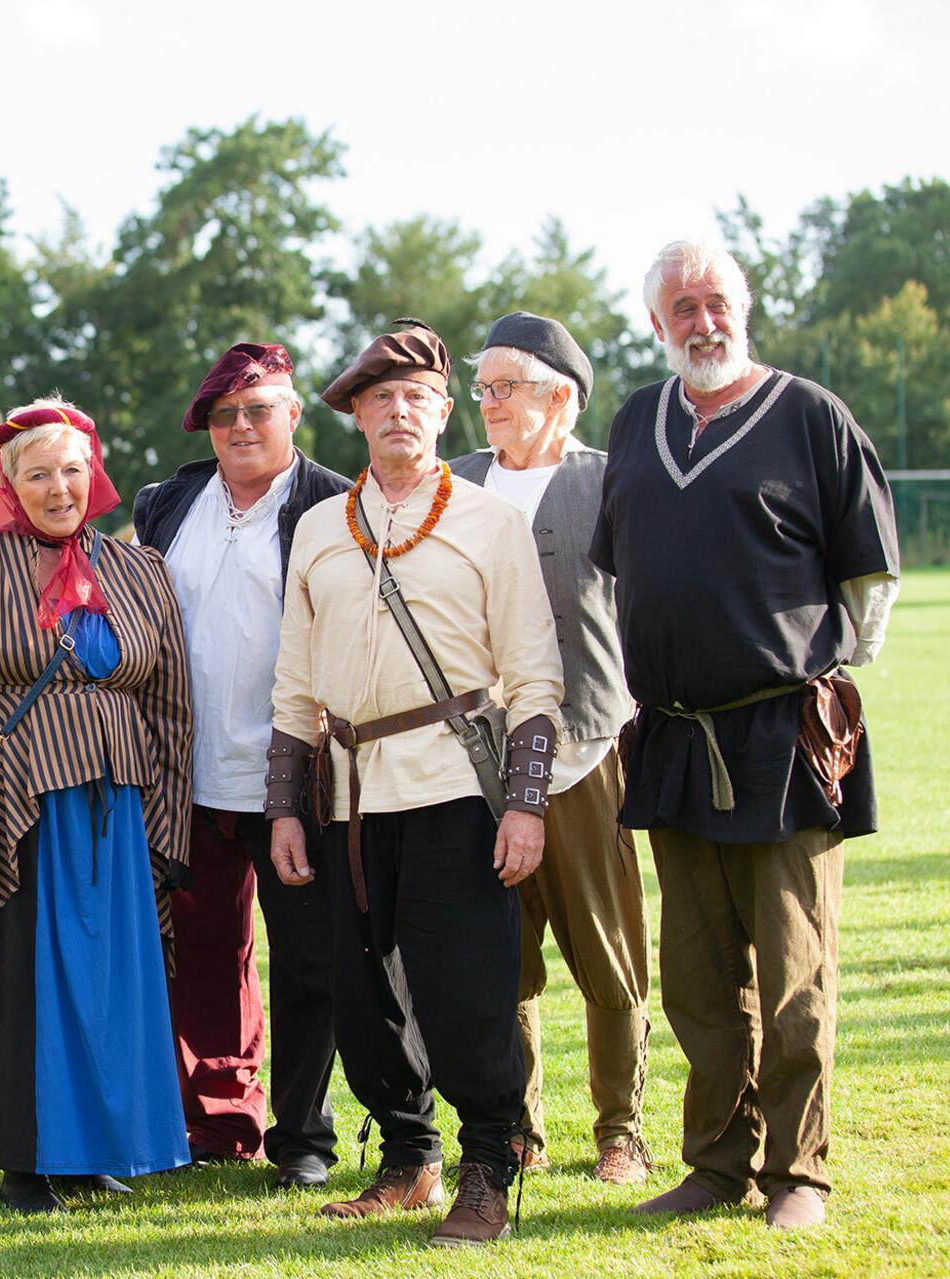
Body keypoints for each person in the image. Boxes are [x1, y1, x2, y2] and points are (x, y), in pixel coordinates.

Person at [594, 241, 900, 1231]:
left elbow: (868, 577)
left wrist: (810, 676)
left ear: (745, 308)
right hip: (675, 739)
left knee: (794, 971)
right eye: (682, 307)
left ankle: (797, 1170)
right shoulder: (637, 421)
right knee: (696, 972)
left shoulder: (810, 416)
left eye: (716, 301)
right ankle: (719, 1162)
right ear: (657, 323)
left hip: (781, 736)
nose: (702, 322)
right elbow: (619, 570)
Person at [266, 320, 564, 1246]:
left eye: (418, 397)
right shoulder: (319, 526)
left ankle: (487, 1165)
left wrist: (525, 802)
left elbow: (535, 679)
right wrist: (284, 806)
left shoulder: (492, 522)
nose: (399, 410)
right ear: (356, 413)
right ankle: (407, 1157)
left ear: (444, 411)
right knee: (364, 992)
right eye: (379, 397)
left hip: (452, 785)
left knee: (466, 986)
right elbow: (293, 683)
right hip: (349, 795)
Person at [0, 398, 194, 1213]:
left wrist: (170, 825)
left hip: (121, 807)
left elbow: (173, 704)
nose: (58, 486)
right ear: (9, 484)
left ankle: (100, 1149)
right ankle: (29, 1157)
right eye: (37, 473)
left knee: (113, 983)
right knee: (30, 986)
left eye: (72, 469)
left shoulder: (139, 570)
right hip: (19, 816)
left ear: (94, 474)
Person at [132, 342, 347, 1187]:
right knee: (204, 951)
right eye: (225, 415)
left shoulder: (335, 504)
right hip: (186, 774)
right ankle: (219, 1120)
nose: (241, 427)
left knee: (306, 958)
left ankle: (303, 1136)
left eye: (259, 409)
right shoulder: (167, 501)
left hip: (297, 775)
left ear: (293, 414)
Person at [450, 312, 653, 1185]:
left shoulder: (611, 483)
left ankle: (620, 1129)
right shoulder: (450, 484)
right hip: (471, 761)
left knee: (606, 952)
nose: (486, 402)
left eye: (506, 386)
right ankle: (519, 1127)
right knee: (501, 957)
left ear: (561, 397)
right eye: (482, 386)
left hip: (583, 749)